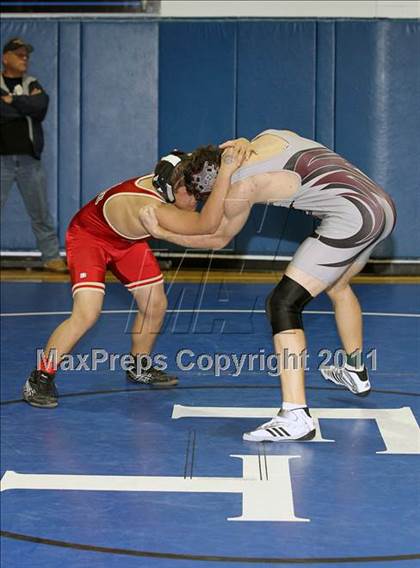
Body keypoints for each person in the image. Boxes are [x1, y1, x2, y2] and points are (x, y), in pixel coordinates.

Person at [140, 129, 396, 442]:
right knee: (337, 285)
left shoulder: (239, 186)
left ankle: (295, 415)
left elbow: (218, 237)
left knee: (282, 304)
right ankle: (355, 370)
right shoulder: (265, 136)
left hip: (354, 217)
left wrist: (164, 234)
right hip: (383, 208)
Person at [22, 142, 247, 408]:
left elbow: (206, 159)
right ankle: (39, 377)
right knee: (87, 313)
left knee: (155, 304)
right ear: (176, 190)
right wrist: (225, 176)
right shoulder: (152, 209)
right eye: (196, 197)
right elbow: (206, 226)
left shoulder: (182, 169)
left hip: (125, 241)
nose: (197, 203)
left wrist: (238, 149)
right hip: (89, 239)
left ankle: (139, 365)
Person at [0, 37, 66, 273]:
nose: (24, 58)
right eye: (19, 54)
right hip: (2, 161)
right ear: (5, 58)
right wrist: (22, 106)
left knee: (40, 212)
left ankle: (50, 257)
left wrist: (12, 101)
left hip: (29, 160)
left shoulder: (32, 82)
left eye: (26, 55)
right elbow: (8, 111)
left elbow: (40, 108)